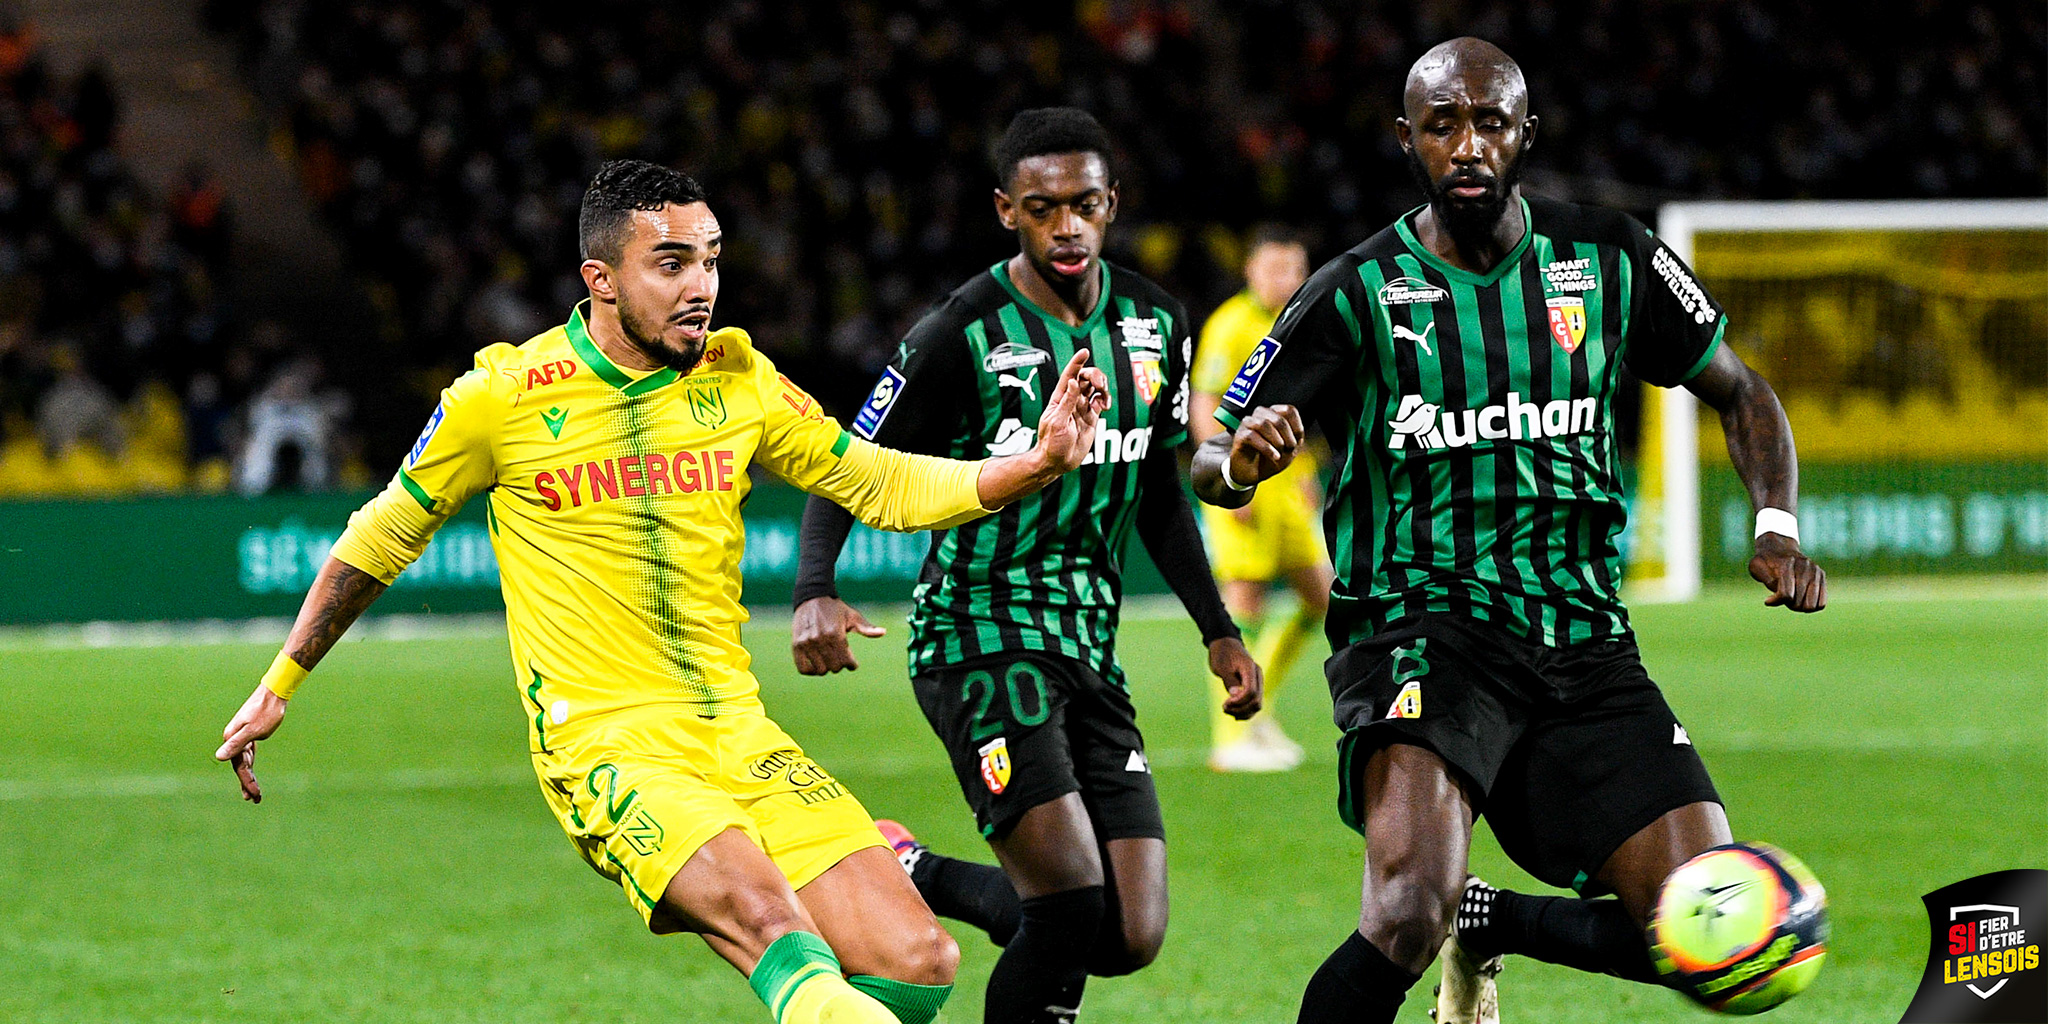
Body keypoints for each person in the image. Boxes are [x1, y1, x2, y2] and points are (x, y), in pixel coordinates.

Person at [214, 160, 1115, 1024]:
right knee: (773, 927)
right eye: (671, 263)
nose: (701, 287)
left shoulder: (739, 378)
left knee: (917, 963)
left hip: (737, 729)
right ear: (601, 279)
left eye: (712, 259)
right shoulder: (506, 395)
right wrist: (279, 684)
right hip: (608, 741)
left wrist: (1029, 465)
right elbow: (382, 535)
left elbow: (872, 480)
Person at [1189, 39, 1827, 1024]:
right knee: (1404, 912)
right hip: (1420, 628)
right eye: (1442, 124)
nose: (1468, 144)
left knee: (1710, 928)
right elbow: (1209, 456)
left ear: (1525, 132)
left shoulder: (1609, 257)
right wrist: (1238, 461)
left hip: (1582, 641)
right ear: (1407, 140)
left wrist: (1774, 525)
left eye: (1490, 121)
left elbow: (1742, 393)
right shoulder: (1356, 290)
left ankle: (1492, 922)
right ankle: (1447, 917)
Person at [789, 108, 1261, 1024]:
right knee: (1071, 905)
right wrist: (815, 589)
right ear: (1007, 211)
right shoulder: (959, 333)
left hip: (1088, 646)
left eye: (1084, 205)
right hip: (979, 639)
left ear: (1112, 204)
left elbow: (1157, 494)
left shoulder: (1158, 322)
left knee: (1128, 932)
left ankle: (912, 868)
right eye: (1043, 209)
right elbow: (845, 463)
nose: (1067, 227)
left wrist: (1219, 629)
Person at [1189, 225, 1333, 773]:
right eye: (1274, 269)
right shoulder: (1229, 325)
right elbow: (1203, 405)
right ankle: (1232, 736)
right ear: (1250, 270)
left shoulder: (1295, 323)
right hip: (1238, 480)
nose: (1286, 280)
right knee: (1244, 599)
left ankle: (1258, 702)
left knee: (1320, 597)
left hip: (1288, 480)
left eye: (1295, 270)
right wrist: (1225, 475)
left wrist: (1307, 465)